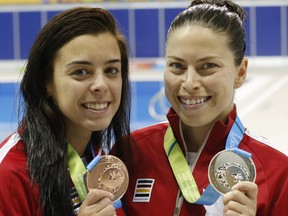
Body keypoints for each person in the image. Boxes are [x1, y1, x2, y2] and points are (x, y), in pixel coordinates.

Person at [122, 0, 288, 215]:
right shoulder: (131, 153)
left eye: (208, 66)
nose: (189, 82)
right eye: (177, 66)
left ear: (240, 73)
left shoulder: (275, 170)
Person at [0, 7, 131, 216]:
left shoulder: (98, 160)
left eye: (111, 70)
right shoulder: (10, 173)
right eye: (81, 72)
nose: (101, 85)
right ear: (46, 82)